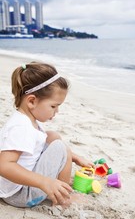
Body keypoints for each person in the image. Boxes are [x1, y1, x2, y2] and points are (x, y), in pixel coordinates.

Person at [0, 62, 94, 208]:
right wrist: (45, 182)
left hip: (19, 188)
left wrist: (75, 157)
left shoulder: (28, 120)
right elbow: (4, 166)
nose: (56, 111)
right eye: (53, 106)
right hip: (19, 195)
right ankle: (63, 197)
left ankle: (60, 183)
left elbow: (40, 143)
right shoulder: (21, 128)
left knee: (52, 136)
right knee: (60, 147)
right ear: (32, 101)